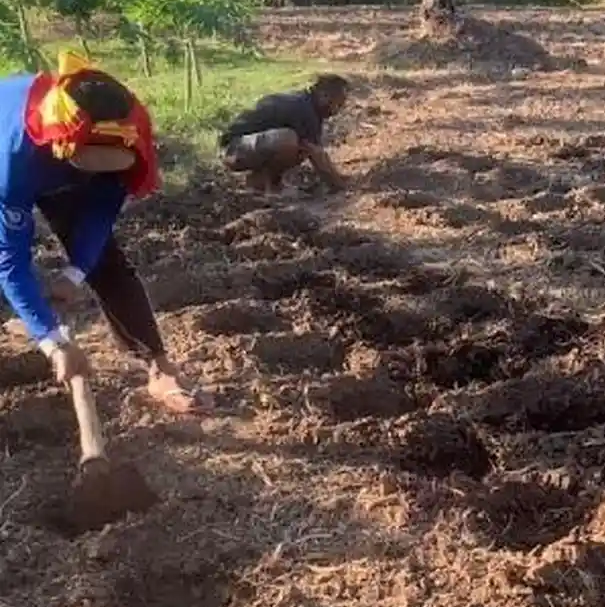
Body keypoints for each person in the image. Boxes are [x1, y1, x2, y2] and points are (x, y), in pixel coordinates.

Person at [0, 52, 210, 414]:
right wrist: (55, 343)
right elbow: (11, 262)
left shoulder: (128, 134)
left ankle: (159, 366)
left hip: (70, 160)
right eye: (89, 166)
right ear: (64, 147)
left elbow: (100, 213)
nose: (97, 176)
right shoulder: (15, 160)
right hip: (27, 161)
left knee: (107, 262)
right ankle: (31, 330)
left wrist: (74, 272)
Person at [219, 74, 350, 194]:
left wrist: (339, 177)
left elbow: (319, 154)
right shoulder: (304, 109)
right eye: (338, 104)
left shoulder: (308, 104)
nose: (337, 111)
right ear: (324, 96)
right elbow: (317, 156)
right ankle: (264, 185)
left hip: (246, 146)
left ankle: (261, 181)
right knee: (289, 139)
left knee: (301, 147)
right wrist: (341, 188)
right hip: (234, 148)